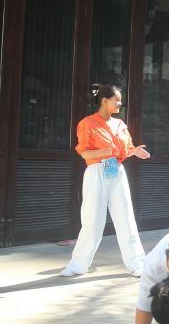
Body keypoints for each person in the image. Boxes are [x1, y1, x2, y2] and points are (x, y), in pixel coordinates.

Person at [60, 84, 150, 277]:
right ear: (104, 101)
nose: (120, 103)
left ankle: (137, 263)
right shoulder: (87, 123)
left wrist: (135, 151)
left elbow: (126, 150)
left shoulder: (120, 124)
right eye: (117, 100)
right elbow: (84, 152)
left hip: (117, 171)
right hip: (96, 172)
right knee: (92, 220)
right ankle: (78, 264)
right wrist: (107, 151)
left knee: (126, 218)